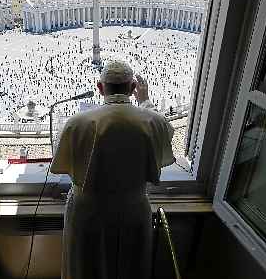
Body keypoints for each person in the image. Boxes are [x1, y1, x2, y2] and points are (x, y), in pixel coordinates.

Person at [50, 60, 175, 279]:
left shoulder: (77, 123)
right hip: (133, 209)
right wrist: (144, 102)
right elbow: (166, 130)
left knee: (86, 266)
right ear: (133, 87)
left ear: (100, 88)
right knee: (131, 266)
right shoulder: (153, 121)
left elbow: (63, 166)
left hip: (87, 212)